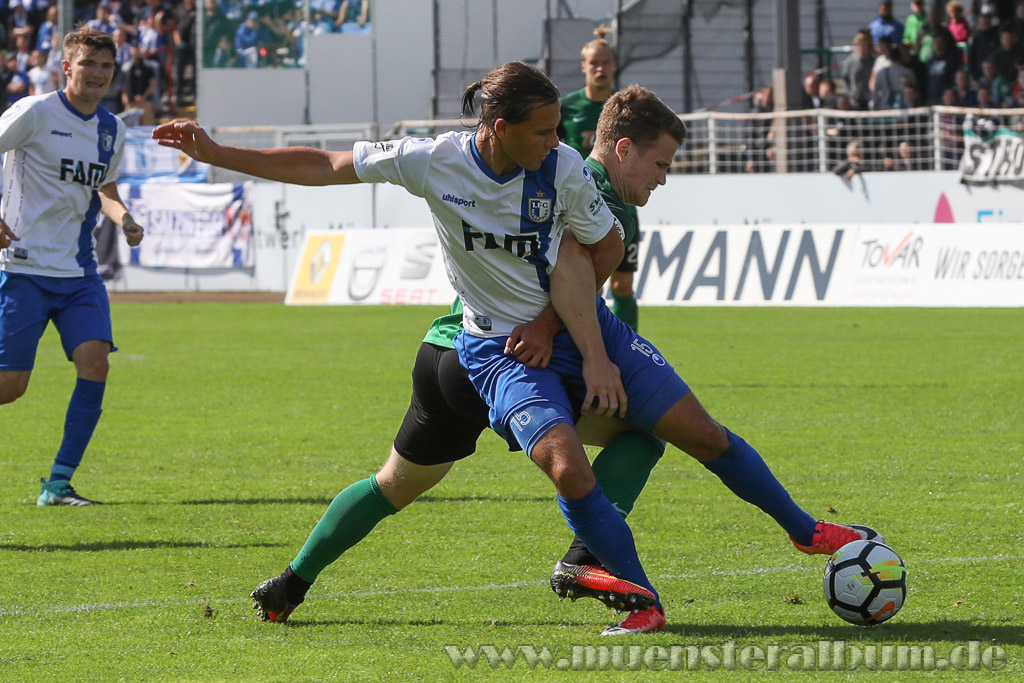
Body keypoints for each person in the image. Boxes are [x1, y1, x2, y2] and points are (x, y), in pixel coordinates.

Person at [154, 71, 873, 635]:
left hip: (568, 335)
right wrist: (216, 152)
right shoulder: (435, 162)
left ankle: (795, 533)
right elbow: (330, 163)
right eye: (545, 129)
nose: (560, 140)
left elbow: (598, 248)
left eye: (561, 128)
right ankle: (621, 588)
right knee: (424, 480)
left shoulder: (561, 169)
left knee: (693, 433)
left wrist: (572, 338)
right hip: (488, 351)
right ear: (498, 128)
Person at [0, 28, 144, 506]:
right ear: (67, 67)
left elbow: (104, 190)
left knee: (96, 360)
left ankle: (58, 484)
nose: (97, 74)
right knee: (10, 388)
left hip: (78, 272)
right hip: (21, 267)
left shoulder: (112, 129)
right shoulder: (35, 112)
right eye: (88, 65)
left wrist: (124, 219)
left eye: (106, 67)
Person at [558, 28, 642, 333]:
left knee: (622, 284)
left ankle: (630, 348)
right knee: (590, 285)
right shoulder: (565, 109)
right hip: (579, 211)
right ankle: (589, 349)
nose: (600, 69)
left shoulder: (628, 110)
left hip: (623, 209)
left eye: (606, 63)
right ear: (584, 66)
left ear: (614, 66)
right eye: (594, 63)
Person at [841, 30, 875, 110]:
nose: (863, 47)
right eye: (861, 44)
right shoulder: (850, 62)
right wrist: (850, 94)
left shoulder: (874, 61)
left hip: (871, 101)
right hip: (855, 101)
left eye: (866, 44)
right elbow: (845, 79)